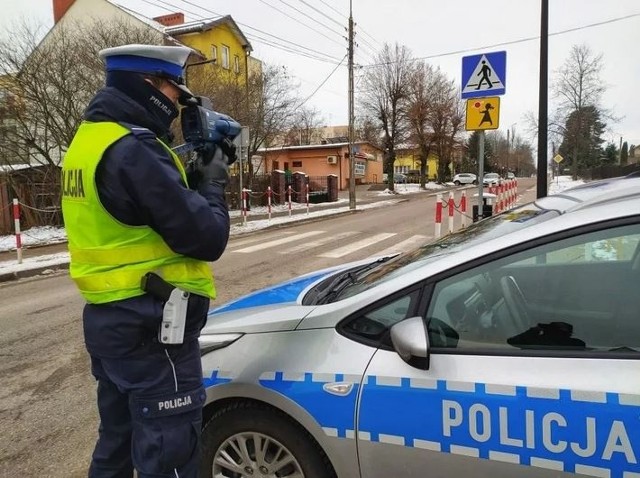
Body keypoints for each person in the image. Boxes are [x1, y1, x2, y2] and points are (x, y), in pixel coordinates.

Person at [61, 44, 233, 477]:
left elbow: (138, 215)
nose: (180, 104)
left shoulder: (89, 142)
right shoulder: (135, 148)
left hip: (113, 324)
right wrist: (213, 182)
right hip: (154, 330)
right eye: (177, 89)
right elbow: (207, 237)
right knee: (170, 456)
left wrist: (188, 180)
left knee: (116, 447)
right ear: (151, 85)